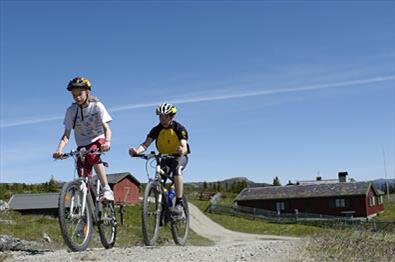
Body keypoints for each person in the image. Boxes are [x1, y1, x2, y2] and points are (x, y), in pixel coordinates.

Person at [53, 76, 114, 201]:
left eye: (80, 94)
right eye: (74, 95)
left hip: (98, 140)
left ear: (87, 92)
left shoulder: (97, 106)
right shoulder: (71, 111)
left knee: (93, 155)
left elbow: (107, 129)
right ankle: (87, 215)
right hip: (81, 145)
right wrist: (59, 150)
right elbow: (66, 135)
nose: (77, 97)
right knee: (82, 178)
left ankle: (107, 188)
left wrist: (107, 142)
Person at [129, 103, 190, 215]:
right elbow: (145, 144)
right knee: (159, 181)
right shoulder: (156, 129)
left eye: (166, 117)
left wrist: (182, 150)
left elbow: (184, 146)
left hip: (179, 157)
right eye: (161, 117)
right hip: (164, 157)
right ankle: (163, 207)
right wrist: (136, 151)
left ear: (172, 117)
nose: (163, 120)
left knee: (177, 171)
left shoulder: (179, 128)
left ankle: (179, 202)